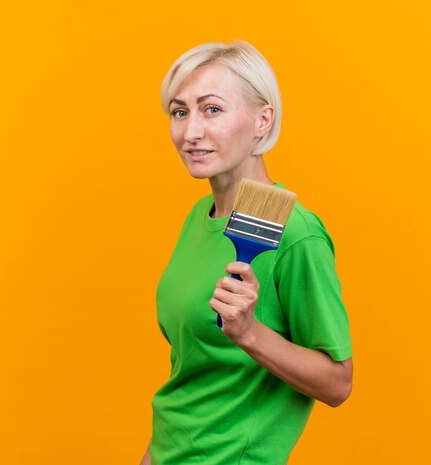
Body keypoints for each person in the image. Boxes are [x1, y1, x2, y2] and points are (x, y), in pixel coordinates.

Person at [140, 40, 353, 465]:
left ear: (262, 120)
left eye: (212, 109)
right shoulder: (202, 215)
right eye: (180, 112)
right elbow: (194, 376)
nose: (190, 132)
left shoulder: (296, 232)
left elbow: (337, 383)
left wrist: (249, 333)